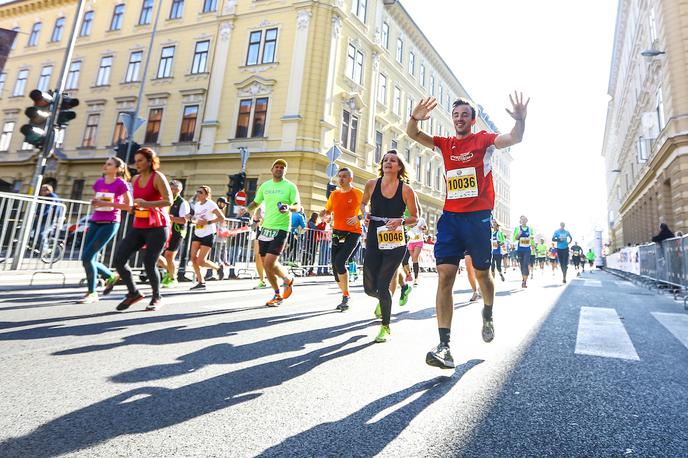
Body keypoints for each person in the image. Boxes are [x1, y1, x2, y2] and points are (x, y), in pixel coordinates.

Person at [408, 92, 528, 368]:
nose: (459, 119)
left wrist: (520, 119)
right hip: (451, 219)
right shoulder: (445, 144)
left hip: (478, 219)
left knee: (483, 275)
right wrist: (415, 116)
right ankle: (444, 346)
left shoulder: (484, 140)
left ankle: (487, 312)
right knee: (445, 277)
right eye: (456, 115)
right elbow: (413, 133)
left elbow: (514, 138)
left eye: (464, 115)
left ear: (472, 120)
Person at [361, 150, 419, 343]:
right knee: (369, 288)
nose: (388, 162)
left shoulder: (406, 190)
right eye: (385, 160)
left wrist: (400, 221)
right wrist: (365, 213)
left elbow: (414, 218)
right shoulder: (371, 184)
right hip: (374, 238)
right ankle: (383, 301)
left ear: (399, 166)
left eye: (392, 160)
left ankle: (385, 326)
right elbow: (363, 204)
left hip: (395, 241)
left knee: (382, 284)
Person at [106, 147, 172, 311]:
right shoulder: (135, 179)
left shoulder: (158, 177)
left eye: (141, 160)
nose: (137, 163)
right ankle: (133, 293)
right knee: (119, 259)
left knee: (149, 262)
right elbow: (135, 202)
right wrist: (132, 207)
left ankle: (157, 297)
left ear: (150, 161)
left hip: (158, 226)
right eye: (136, 160)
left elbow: (168, 200)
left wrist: (147, 204)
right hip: (139, 225)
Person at [243, 159, 299, 307]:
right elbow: (256, 202)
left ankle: (285, 282)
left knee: (269, 262)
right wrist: (248, 208)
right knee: (265, 264)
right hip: (265, 228)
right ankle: (278, 291)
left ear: (285, 171)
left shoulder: (290, 186)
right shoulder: (265, 186)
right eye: (277, 167)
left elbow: (298, 206)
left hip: (281, 228)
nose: (279, 169)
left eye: (282, 167)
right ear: (272, 169)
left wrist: (289, 207)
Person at [79, 157, 132, 304]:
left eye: (109, 164)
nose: (105, 166)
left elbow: (129, 206)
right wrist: (95, 203)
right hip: (95, 221)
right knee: (89, 257)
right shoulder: (99, 183)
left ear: (117, 169)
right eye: (106, 163)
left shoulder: (121, 183)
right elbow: (97, 201)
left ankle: (92, 292)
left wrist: (108, 203)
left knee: (87, 258)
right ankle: (111, 276)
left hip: (110, 223)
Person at [320, 168, 363, 311]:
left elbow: (367, 211)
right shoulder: (334, 194)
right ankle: (346, 294)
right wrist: (324, 213)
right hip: (337, 233)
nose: (341, 179)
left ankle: (345, 297)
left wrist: (358, 217)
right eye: (340, 176)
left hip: (353, 232)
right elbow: (328, 211)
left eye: (344, 177)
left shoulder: (357, 193)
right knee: (335, 267)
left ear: (351, 179)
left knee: (340, 262)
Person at [187, 186, 225, 290]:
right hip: (197, 232)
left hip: (208, 234)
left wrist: (207, 222)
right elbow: (196, 218)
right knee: (193, 258)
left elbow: (221, 218)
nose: (198, 194)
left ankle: (218, 268)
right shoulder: (197, 205)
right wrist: (191, 218)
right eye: (197, 192)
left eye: (201, 192)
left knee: (201, 261)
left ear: (207, 195)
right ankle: (201, 281)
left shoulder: (211, 204)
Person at [159, 180, 190, 289]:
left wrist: (170, 218)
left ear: (179, 190)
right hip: (163, 230)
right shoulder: (164, 200)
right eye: (169, 187)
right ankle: (171, 272)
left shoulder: (182, 202)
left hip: (177, 232)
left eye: (172, 188)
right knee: (156, 255)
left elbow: (184, 220)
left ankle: (172, 278)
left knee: (169, 255)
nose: (170, 190)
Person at [513, 215, 535, 289]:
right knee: (522, 265)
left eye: (525, 220)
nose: (523, 221)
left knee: (526, 263)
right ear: (520, 221)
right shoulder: (517, 228)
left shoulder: (530, 229)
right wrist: (518, 235)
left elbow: (532, 238)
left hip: (527, 250)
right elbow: (514, 238)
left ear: (527, 221)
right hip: (519, 249)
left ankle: (524, 281)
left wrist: (533, 244)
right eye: (522, 220)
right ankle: (523, 278)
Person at [406, 216, 427, 286]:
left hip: (419, 241)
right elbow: (407, 230)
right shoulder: (408, 219)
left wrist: (422, 228)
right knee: (414, 260)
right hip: (411, 241)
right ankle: (413, 275)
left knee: (415, 258)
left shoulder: (421, 219)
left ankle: (416, 278)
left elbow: (425, 229)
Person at [250, 206, 268, 289]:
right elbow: (253, 226)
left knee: (270, 258)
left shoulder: (274, 200)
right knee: (257, 256)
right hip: (260, 232)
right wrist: (255, 218)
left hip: (272, 231)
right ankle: (262, 281)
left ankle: (284, 277)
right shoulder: (259, 207)